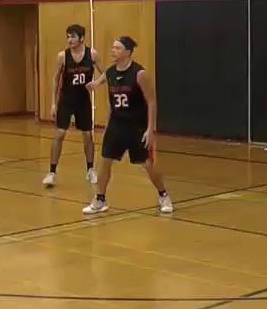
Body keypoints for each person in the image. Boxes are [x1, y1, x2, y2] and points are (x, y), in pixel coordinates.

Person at [84, 36, 172, 216]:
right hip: (116, 125)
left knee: (146, 164)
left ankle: (164, 195)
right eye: (113, 47)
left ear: (128, 52)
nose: (113, 51)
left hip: (136, 127)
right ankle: (100, 199)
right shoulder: (109, 72)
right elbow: (101, 80)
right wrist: (93, 85)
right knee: (105, 162)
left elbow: (152, 102)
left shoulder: (139, 74)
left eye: (117, 48)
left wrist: (150, 129)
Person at [45, 24, 103, 188]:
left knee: (87, 135)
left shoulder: (92, 54)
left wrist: (97, 82)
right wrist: (53, 104)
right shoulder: (62, 56)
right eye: (68, 36)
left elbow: (106, 72)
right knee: (60, 134)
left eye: (73, 36)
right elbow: (56, 79)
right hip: (66, 100)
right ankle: (52, 172)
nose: (69, 40)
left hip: (83, 100)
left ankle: (90, 169)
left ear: (82, 38)